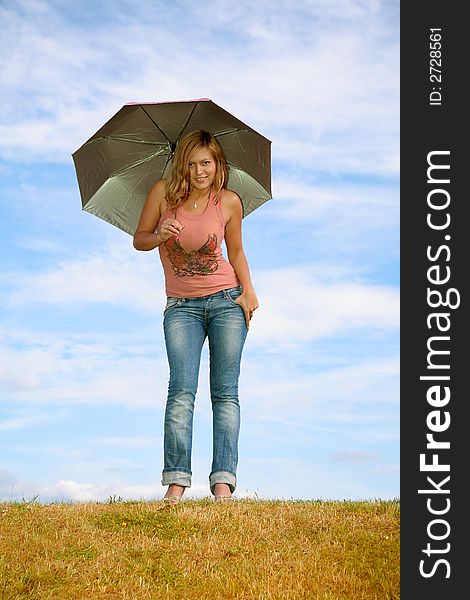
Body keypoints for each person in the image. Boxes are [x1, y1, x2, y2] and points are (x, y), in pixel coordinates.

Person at [133, 129, 259, 503]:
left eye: (206, 162)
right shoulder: (162, 193)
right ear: (181, 165)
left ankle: (223, 483)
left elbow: (235, 253)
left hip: (227, 301)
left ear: (218, 164)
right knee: (181, 393)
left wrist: (248, 292)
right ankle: (176, 481)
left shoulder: (230, 202)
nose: (199, 171)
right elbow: (139, 238)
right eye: (191, 163)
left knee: (225, 394)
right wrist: (159, 233)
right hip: (181, 307)